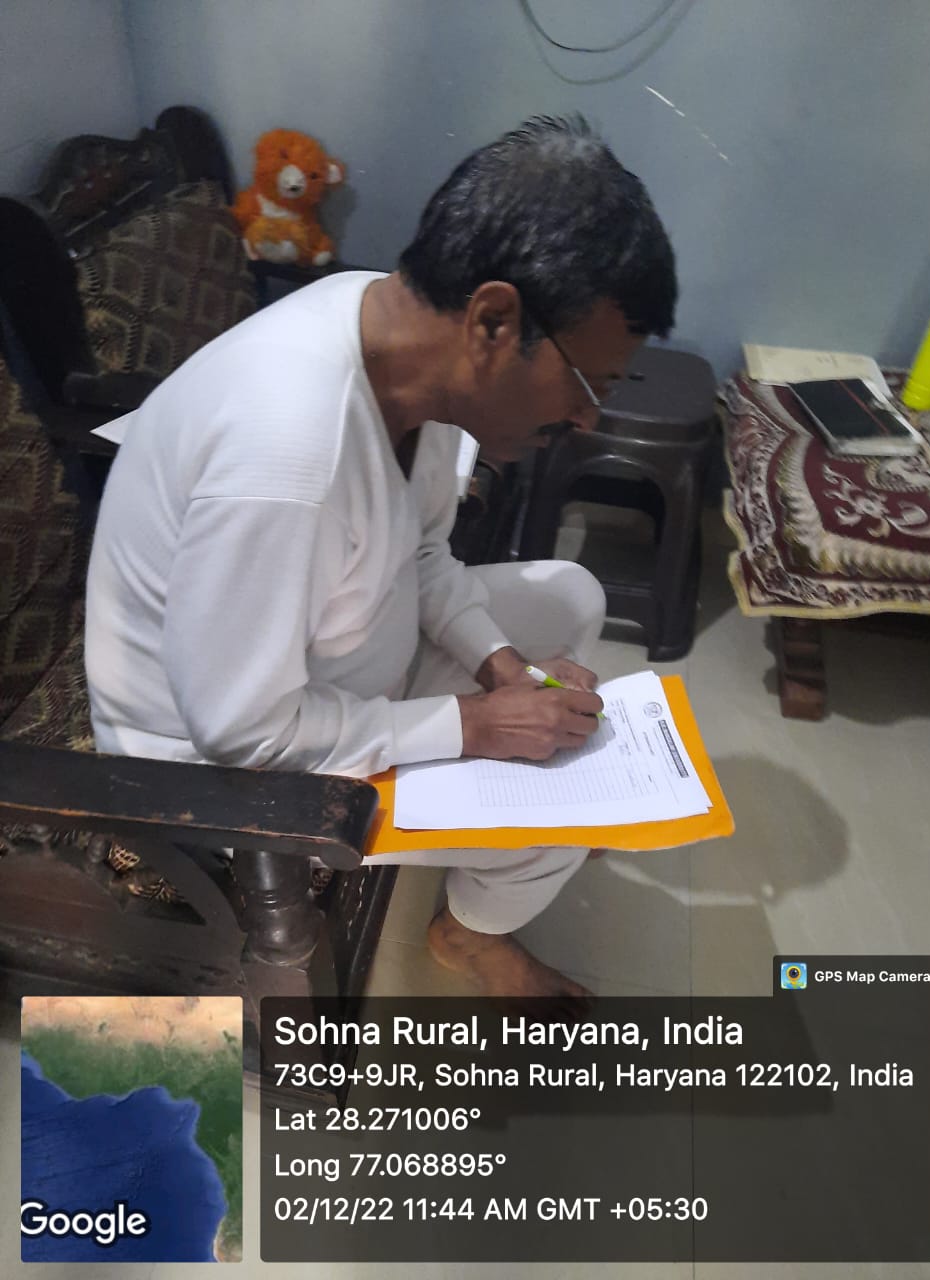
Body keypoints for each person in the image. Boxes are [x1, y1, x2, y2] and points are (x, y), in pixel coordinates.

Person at [85, 115, 677, 999]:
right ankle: (471, 936)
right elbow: (243, 734)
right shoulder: (285, 454)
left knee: (570, 596)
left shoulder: (392, 336)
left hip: (328, 667)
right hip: (221, 773)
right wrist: (478, 725)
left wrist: (503, 669)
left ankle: (480, 893)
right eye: (590, 386)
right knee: (565, 809)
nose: (586, 421)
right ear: (493, 321)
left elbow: (421, 549)